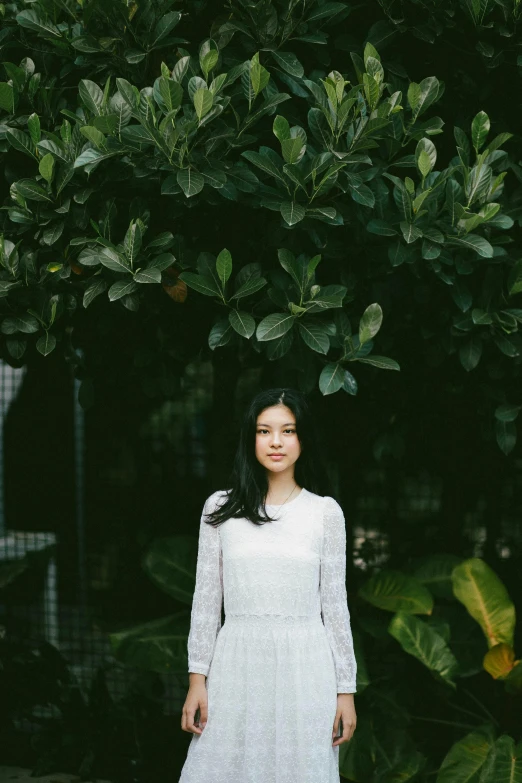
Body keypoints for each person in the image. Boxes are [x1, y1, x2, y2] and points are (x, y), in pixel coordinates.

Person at [179, 387, 357, 783]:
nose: (276, 442)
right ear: (251, 438)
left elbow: (336, 606)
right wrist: (197, 681)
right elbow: (206, 602)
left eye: (288, 431)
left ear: (302, 438)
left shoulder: (325, 513)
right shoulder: (220, 510)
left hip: (307, 670)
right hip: (235, 667)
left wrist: (346, 691)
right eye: (264, 431)